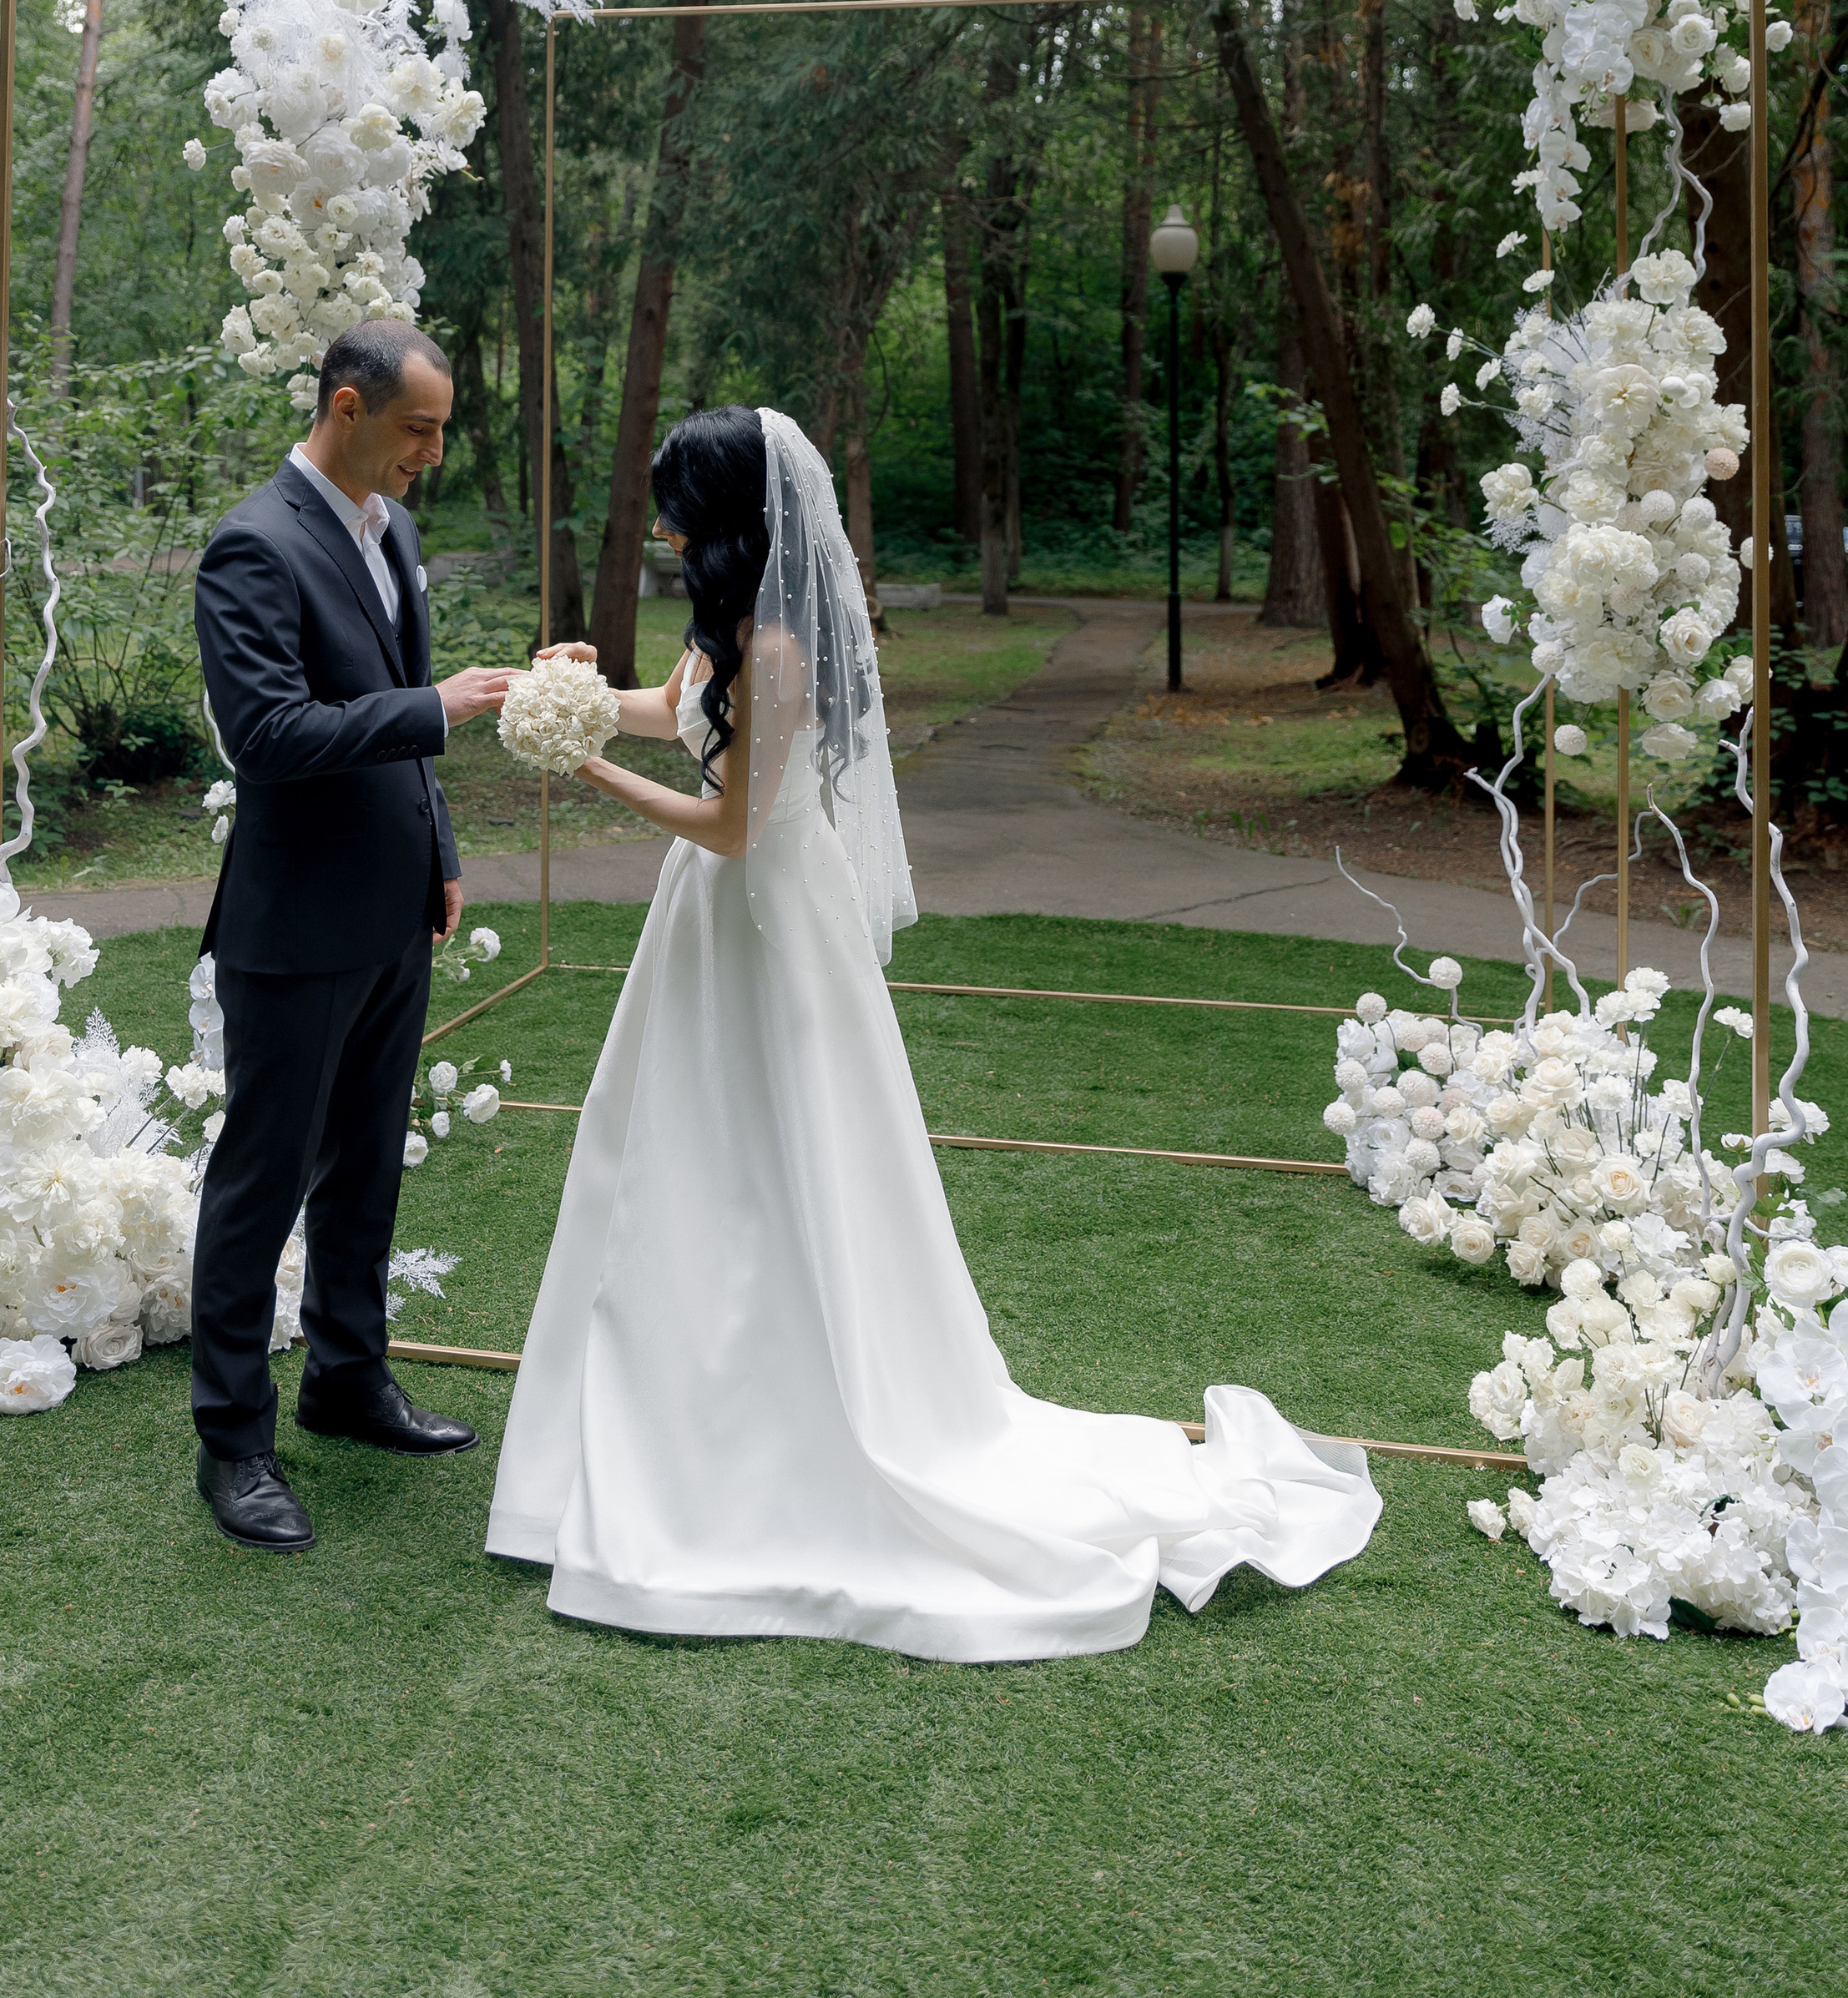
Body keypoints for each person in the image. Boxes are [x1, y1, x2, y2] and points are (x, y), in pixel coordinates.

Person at [487, 403, 1382, 1660]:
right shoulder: (720, 632)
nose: (669, 523)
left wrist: (579, 772)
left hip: (767, 923)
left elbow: (730, 827)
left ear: (734, 514)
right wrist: (573, 697)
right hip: (702, 935)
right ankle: (655, 1419)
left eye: (681, 502)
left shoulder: (782, 648)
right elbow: (668, 714)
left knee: (782, 1167)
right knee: (679, 1160)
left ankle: (791, 1435)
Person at [189, 318, 514, 1553]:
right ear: (346, 405)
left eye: (437, 429)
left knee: (370, 1165)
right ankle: (234, 1442)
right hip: (294, 921)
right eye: (417, 428)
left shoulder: (394, 527)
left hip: (392, 912)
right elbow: (267, 735)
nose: (431, 451)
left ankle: (347, 1379)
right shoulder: (252, 546)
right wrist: (432, 710)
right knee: (262, 1180)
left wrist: (438, 859)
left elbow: (393, 720)